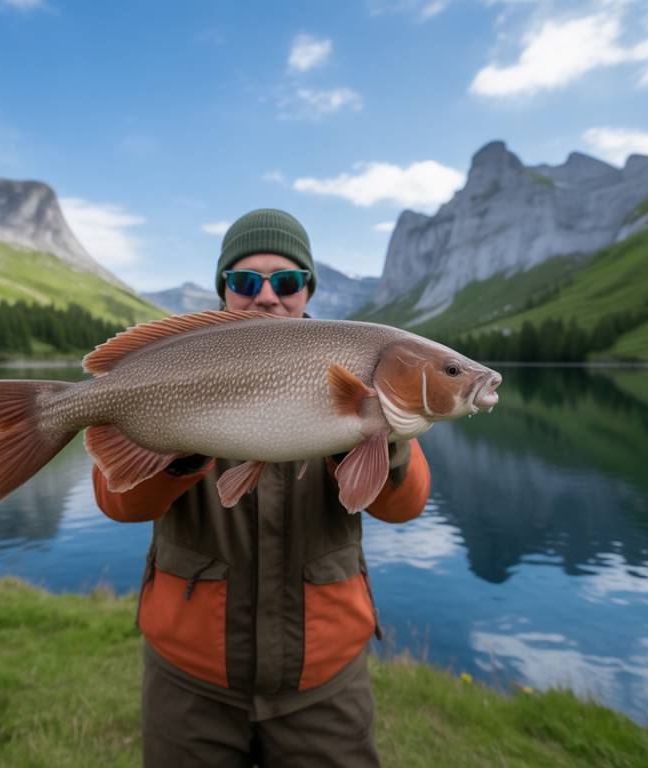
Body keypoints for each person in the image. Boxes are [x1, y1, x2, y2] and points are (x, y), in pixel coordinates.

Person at [93, 208, 431, 767]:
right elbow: (117, 502)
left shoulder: (363, 371)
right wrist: (179, 456)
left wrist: (377, 439)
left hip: (324, 679)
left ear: (307, 291)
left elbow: (406, 506)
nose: (267, 296)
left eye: (288, 281)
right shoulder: (179, 366)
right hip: (189, 680)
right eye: (246, 281)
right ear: (223, 290)